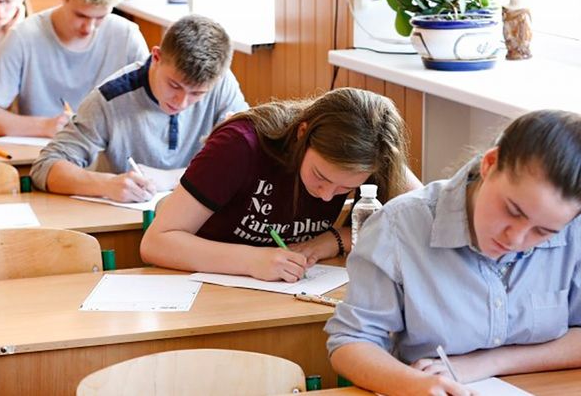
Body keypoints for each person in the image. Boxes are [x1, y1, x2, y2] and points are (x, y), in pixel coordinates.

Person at [324, 110, 581, 396]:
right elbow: (351, 342)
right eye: (513, 210)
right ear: (490, 163)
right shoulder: (398, 225)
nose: (516, 239)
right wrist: (415, 384)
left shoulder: (576, 228)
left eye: (543, 231)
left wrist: (487, 363)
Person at [140, 87, 423, 282]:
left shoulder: (371, 151)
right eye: (320, 176)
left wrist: (332, 240)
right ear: (302, 133)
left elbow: (422, 224)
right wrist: (252, 261)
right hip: (203, 285)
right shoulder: (239, 145)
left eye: (344, 189)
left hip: (292, 289)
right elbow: (156, 243)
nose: (327, 197)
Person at [29, 15, 248, 203]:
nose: (181, 103)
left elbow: (249, 157)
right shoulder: (110, 98)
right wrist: (107, 184)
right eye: (174, 85)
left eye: (197, 94)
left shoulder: (221, 85)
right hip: (128, 221)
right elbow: (45, 167)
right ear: (156, 57)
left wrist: (173, 178)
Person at [0, 0, 149, 138]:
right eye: (80, 15)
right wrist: (45, 126)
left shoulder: (127, 36)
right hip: (40, 153)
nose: (89, 28)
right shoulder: (23, 36)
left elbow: (151, 108)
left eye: (100, 17)